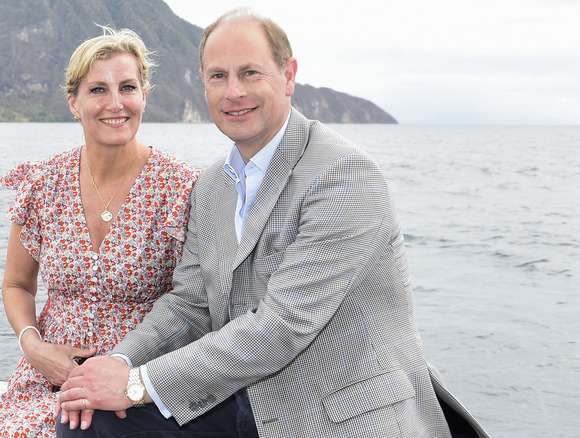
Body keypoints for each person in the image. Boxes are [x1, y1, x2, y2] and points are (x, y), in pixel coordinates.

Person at [54, 8, 489, 438]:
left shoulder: (344, 176)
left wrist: (136, 386)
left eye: (250, 73)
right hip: (247, 402)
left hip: (339, 414)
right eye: (218, 76)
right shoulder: (210, 187)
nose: (233, 92)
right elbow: (190, 303)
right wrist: (120, 362)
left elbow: (282, 326)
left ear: (288, 74)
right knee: (89, 421)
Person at [0, 26, 199, 438]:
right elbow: (17, 283)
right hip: (44, 377)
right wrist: (34, 347)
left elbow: (195, 302)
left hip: (134, 386)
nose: (115, 103)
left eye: (127, 87)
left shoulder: (181, 188)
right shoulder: (44, 184)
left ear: (144, 95)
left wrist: (132, 374)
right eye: (97, 90)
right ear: (73, 103)